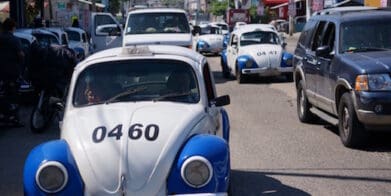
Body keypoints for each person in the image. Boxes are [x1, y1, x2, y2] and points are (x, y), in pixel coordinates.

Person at [0, 18, 25, 126]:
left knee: (2, 94)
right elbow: (21, 55)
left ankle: (3, 115)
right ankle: (15, 119)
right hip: (12, 72)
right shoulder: (15, 40)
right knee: (14, 96)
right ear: (12, 28)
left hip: (1, 72)